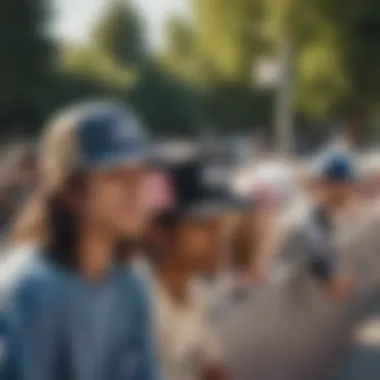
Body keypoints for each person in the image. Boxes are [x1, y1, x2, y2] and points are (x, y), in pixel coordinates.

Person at [0, 100, 161, 380]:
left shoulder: (132, 284)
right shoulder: (27, 289)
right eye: (116, 176)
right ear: (70, 191)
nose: (136, 190)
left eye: (140, 174)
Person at [143, 158, 241, 380]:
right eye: (204, 225)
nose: (219, 236)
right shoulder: (134, 301)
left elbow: (213, 370)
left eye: (220, 223)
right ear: (158, 230)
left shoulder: (194, 289)